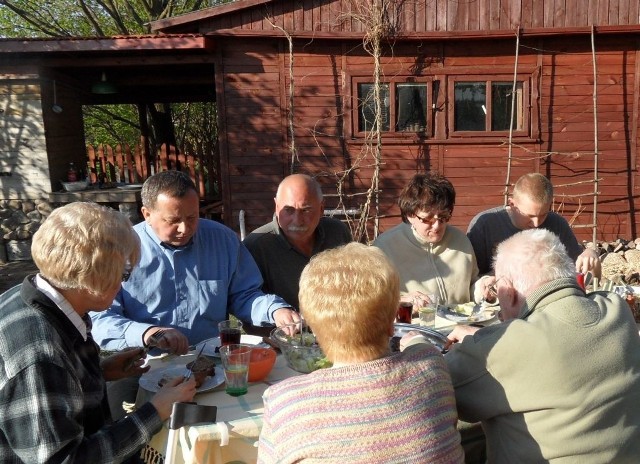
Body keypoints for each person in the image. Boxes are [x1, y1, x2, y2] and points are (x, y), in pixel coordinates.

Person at [90, 170, 300, 418]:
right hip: (141, 368)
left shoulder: (221, 239)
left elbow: (245, 295)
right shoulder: (121, 248)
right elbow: (99, 319)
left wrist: (275, 310)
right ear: (147, 214)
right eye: (173, 220)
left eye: (192, 217)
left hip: (212, 367)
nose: (185, 228)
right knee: (130, 442)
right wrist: (147, 333)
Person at [421, 228, 640, 463]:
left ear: (508, 291)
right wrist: (486, 337)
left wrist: (417, 342)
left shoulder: (506, 346)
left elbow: (431, 387)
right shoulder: (616, 309)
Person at [0, 202, 196, 463]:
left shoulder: (33, 297)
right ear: (91, 277)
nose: (125, 282)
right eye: (124, 272)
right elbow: (65, 459)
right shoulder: (40, 353)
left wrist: (99, 371)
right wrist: (156, 411)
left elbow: (54, 389)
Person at [257, 243, 465, 463]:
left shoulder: (285, 404)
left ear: (314, 329)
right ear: (391, 323)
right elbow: (422, 347)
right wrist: (414, 340)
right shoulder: (432, 367)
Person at [373, 172, 487, 308]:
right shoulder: (385, 247)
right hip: (413, 327)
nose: (437, 226)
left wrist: (483, 288)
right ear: (409, 215)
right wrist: (402, 301)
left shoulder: (460, 240)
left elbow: (471, 287)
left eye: (444, 217)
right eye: (428, 219)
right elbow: (371, 300)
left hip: (462, 325)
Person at [243, 173, 352, 309]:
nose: (297, 220)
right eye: (289, 210)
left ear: (321, 208)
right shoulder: (256, 247)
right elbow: (247, 302)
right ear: (277, 207)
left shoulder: (337, 233)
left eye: (306, 210)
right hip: (281, 329)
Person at [467, 172, 601, 281]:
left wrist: (589, 253)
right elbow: (470, 279)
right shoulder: (484, 225)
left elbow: (576, 270)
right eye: (529, 216)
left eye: (543, 214)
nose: (537, 224)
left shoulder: (557, 223)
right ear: (512, 204)